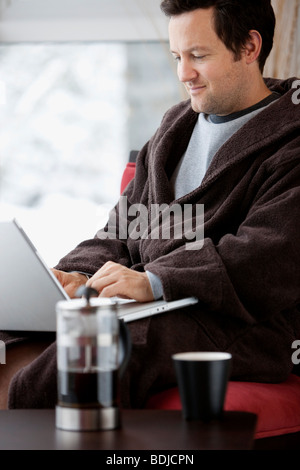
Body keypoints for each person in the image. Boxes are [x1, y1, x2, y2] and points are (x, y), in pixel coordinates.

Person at [0, 0, 299, 410]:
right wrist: (73, 276)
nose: (184, 73)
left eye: (198, 55)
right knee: (12, 333)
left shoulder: (290, 140)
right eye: (177, 56)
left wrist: (156, 281)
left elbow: (270, 256)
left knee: (104, 346)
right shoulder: (171, 131)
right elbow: (118, 232)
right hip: (154, 305)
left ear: (249, 47)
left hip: (244, 322)